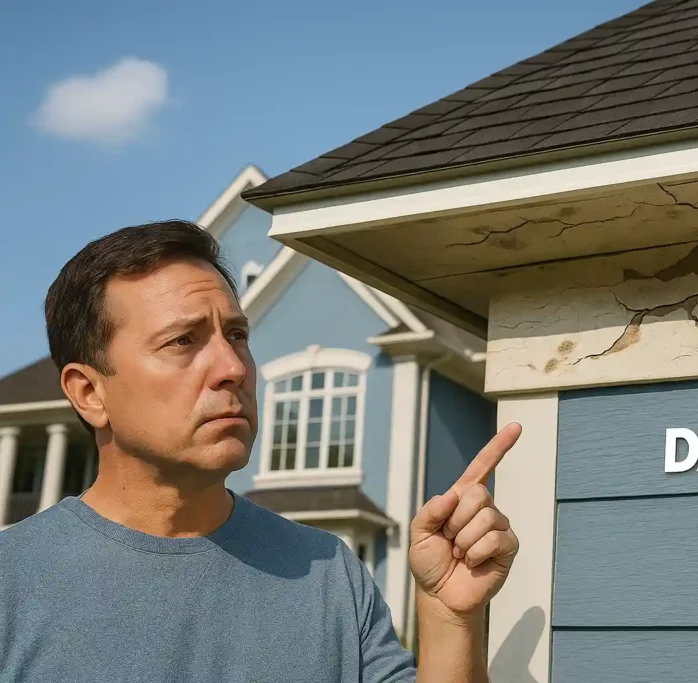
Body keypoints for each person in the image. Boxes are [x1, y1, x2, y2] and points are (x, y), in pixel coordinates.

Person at [0, 220, 521, 682]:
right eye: (183, 340)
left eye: (237, 334)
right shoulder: (13, 582)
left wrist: (449, 617)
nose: (233, 366)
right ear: (90, 393)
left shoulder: (327, 572)